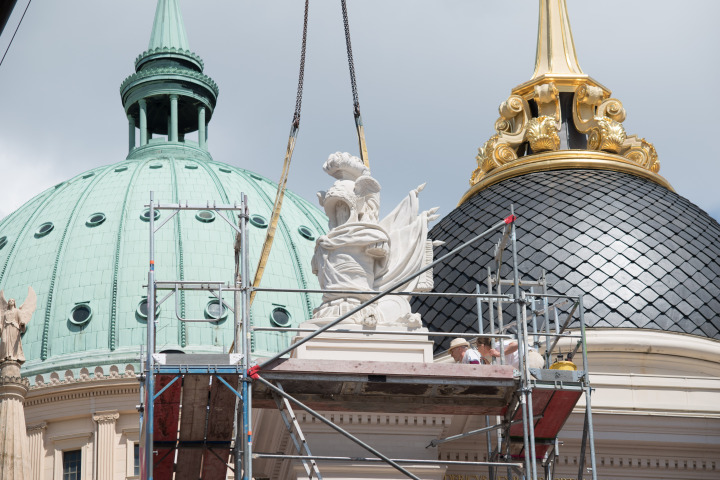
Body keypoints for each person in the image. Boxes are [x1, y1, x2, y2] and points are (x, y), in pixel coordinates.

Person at [476, 337, 544, 369]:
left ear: (482, 346)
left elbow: (516, 345)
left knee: (529, 385)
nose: (478, 350)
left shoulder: (497, 345)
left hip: (530, 357)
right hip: (527, 361)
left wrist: (500, 354)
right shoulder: (495, 355)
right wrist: (489, 365)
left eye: (477, 347)